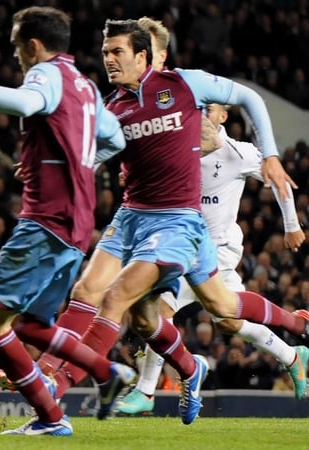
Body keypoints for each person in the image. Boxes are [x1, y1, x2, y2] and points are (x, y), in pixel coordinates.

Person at [0, 16, 309, 412]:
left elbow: (251, 99)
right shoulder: (114, 108)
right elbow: (92, 154)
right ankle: (181, 368)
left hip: (179, 223)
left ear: (144, 56)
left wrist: (274, 159)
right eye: (105, 52)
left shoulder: (185, 86)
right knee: (106, 300)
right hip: (132, 218)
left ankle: (61, 384)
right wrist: (47, 165)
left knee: (126, 299)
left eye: (117, 52)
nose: (108, 59)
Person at [0, 6, 133, 437]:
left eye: (18, 46)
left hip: (46, 223)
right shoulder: (85, 86)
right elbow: (115, 138)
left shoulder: (46, 75)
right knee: (35, 324)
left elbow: (26, 101)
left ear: (33, 45)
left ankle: (51, 416)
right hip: (75, 227)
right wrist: (75, 163)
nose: (17, 55)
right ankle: (106, 374)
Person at [116, 102, 309, 415]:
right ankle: (292, 356)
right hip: (183, 244)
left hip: (217, 250)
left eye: (211, 110)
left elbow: (277, 177)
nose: (203, 115)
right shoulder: (179, 147)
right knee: (231, 323)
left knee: (160, 308)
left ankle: (146, 390)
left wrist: (291, 225)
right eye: (199, 109)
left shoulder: (239, 153)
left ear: (223, 117)